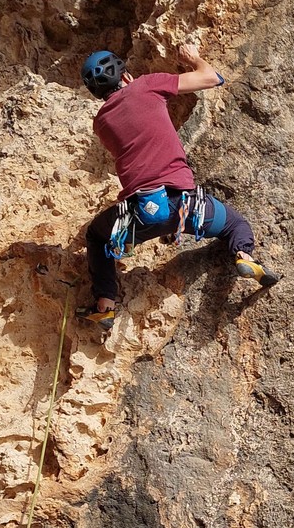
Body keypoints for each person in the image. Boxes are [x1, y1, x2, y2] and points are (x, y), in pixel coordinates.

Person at [77, 44, 278, 327]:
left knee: (97, 237)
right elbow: (212, 78)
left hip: (141, 212)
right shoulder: (147, 86)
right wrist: (193, 58)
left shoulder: (101, 123)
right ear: (124, 76)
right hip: (187, 206)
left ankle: (105, 304)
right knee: (235, 225)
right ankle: (243, 255)